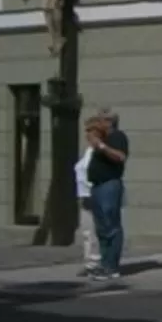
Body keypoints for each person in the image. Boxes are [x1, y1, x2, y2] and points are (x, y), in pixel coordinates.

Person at [84, 107, 130, 283]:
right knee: (102, 228)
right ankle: (105, 264)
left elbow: (119, 157)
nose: (97, 123)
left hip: (109, 185)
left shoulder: (117, 137)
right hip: (97, 186)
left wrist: (101, 146)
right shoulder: (102, 139)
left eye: (100, 120)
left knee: (111, 225)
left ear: (109, 122)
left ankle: (112, 266)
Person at [74, 117, 102, 276]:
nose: (87, 134)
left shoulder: (100, 150)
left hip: (95, 195)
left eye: (90, 131)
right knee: (87, 232)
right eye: (87, 131)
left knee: (97, 231)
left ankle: (98, 262)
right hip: (84, 195)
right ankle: (90, 263)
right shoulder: (88, 151)